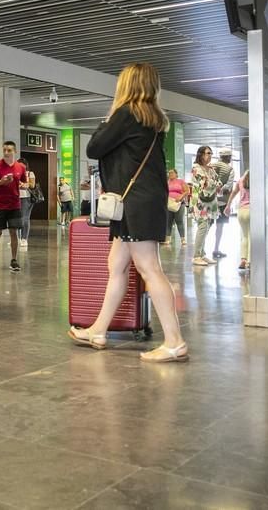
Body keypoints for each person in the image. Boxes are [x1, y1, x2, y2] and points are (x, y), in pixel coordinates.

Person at [68, 62, 188, 362]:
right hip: (142, 200)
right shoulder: (153, 118)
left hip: (134, 202)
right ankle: (98, 329)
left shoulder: (126, 114)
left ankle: (174, 341)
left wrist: (107, 118)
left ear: (128, 85)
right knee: (117, 265)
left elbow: (94, 148)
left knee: (149, 269)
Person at [0, 141, 26, 272]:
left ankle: (14, 260)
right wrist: (0, 182)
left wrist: (24, 185)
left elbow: (25, 183)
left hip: (15, 205)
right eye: (4, 150)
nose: (6, 152)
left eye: (9, 150)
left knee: (14, 232)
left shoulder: (21, 167)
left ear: (15, 151)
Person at [190, 146, 221, 266]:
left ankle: (202, 254)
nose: (210, 155)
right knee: (203, 226)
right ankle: (196, 256)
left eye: (211, 153)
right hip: (200, 202)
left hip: (211, 201)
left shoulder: (210, 169)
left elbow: (218, 183)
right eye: (208, 153)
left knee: (207, 227)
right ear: (201, 154)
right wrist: (212, 183)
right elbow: (204, 183)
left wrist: (212, 183)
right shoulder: (196, 168)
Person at [211, 148, 235, 259]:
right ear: (228, 157)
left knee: (205, 226)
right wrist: (221, 190)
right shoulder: (230, 169)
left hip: (209, 200)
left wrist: (213, 190)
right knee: (219, 227)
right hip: (223, 201)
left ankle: (201, 251)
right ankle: (216, 249)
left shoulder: (211, 166)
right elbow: (229, 186)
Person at [224, 171, 250, 271]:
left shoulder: (240, 181)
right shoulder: (255, 181)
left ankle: (243, 259)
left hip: (241, 211)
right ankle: (250, 261)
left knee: (244, 236)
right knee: (251, 236)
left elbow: (233, 193)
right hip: (251, 210)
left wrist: (228, 206)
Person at [165, 168, 188, 246]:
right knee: (169, 221)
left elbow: (187, 191)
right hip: (169, 204)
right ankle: (168, 239)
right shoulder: (167, 182)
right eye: (169, 173)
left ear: (176, 174)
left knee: (179, 221)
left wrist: (181, 197)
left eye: (172, 173)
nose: (170, 174)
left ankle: (183, 239)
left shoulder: (181, 181)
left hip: (179, 203)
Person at [17, 157, 36, 248]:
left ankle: (24, 239)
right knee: (16, 218)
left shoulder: (30, 173)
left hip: (26, 198)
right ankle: (17, 238)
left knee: (24, 218)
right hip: (15, 197)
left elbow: (32, 185)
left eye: (22, 166)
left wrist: (25, 184)